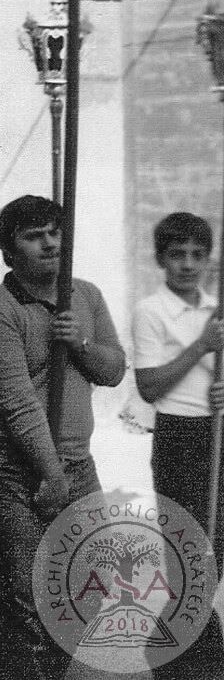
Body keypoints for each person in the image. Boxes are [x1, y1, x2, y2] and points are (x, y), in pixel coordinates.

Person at [0, 195, 126, 680]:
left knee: (88, 584)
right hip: (14, 465)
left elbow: (115, 371)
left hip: (76, 463)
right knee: (25, 595)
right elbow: (17, 404)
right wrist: (50, 472)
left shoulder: (85, 295)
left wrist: (78, 342)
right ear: (8, 250)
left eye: (55, 231)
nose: (49, 242)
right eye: (33, 235)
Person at [132, 212, 224, 680]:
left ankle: (188, 648)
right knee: (187, 555)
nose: (188, 264)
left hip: (217, 437)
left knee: (216, 555)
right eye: (177, 254)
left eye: (197, 254)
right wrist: (202, 346)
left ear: (208, 260)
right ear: (161, 259)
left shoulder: (218, 310)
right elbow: (149, 386)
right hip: (179, 437)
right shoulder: (152, 311)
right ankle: (171, 654)